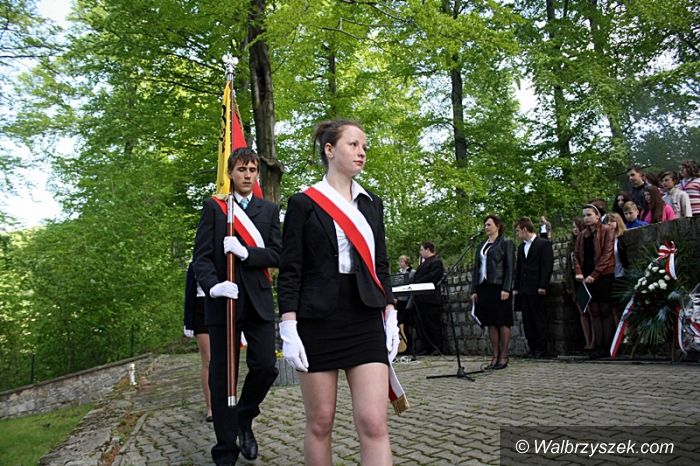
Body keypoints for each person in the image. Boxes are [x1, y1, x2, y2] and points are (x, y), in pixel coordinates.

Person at [277, 119, 399, 466]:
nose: (362, 152)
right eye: (353, 144)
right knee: (320, 423)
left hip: (365, 314)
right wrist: (288, 327)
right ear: (329, 150)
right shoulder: (303, 203)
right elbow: (291, 270)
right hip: (317, 319)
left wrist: (390, 311)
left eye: (364, 146)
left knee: (374, 423)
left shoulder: (372, 203)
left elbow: (381, 264)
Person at [193, 147, 281, 465]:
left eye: (252, 170)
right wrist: (213, 286)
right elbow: (201, 258)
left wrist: (246, 253)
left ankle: (245, 415)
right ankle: (225, 449)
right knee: (222, 376)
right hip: (224, 302)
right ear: (230, 173)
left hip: (258, 301)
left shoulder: (268, 210)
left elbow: (277, 254)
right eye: (241, 169)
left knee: (266, 366)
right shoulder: (215, 208)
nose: (247, 175)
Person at [470, 215, 515, 370]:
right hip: (484, 286)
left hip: (499, 285)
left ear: (498, 226)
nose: (486, 227)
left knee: (502, 320)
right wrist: (474, 289)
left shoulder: (506, 242)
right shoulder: (481, 245)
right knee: (490, 322)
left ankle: (504, 355)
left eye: (489, 224)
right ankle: (495, 355)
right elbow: (476, 268)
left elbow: (510, 266)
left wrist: (506, 288)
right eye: (485, 225)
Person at [572, 204, 616, 357]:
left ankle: (607, 346)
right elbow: (576, 255)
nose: (586, 218)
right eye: (584, 215)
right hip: (587, 277)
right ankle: (598, 346)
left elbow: (607, 254)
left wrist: (595, 274)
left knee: (605, 310)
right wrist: (579, 272)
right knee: (593, 311)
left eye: (589, 215)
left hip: (604, 275)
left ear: (597, 216)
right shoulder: (582, 235)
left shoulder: (607, 230)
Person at [513, 217, 554, 358]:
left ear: (525, 229)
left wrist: (542, 285)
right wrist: (516, 287)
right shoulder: (521, 247)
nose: (517, 234)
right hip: (524, 289)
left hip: (536, 287)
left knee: (539, 318)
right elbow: (519, 268)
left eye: (518, 231)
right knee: (527, 319)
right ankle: (532, 348)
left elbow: (547, 266)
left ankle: (541, 349)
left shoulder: (543, 244)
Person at [184, 262, 213, 423]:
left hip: (223, 306)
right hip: (201, 309)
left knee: (226, 360)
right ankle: (211, 407)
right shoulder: (195, 264)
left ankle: (228, 402)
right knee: (208, 361)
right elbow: (189, 293)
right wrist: (188, 322)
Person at [411, 242, 445, 356]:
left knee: (433, 324)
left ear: (428, 250)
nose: (420, 252)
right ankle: (426, 347)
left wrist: (418, 282)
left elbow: (433, 277)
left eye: (421, 250)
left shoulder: (436, 262)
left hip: (431, 299)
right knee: (423, 325)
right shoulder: (423, 264)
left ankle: (437, 347)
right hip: (421, 299)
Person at [568, 218, 594, 351]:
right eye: (573, 227)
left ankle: (594, 341)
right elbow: (568, 267)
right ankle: (587, 341)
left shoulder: (588, 241)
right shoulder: (571, 245)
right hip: (576, 283)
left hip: (588, 280)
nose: (575, 229)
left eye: (577, 227)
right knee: (582, 312)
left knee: (591, 312)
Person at [605, 213, 628, 327]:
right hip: (611, 276)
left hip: (622, 275)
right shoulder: (605, 240)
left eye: (612, 221)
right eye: (607, 222)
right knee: (615, 307)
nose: (609, 223)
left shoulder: (623, 238)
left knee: (625, 305)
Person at [395, 255, 415, 355]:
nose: (400, 263)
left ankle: (409, 347)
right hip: (399, 301)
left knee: (407, 325)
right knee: (399, 323)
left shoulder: (412, 272)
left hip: (406, 301)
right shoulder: (398, 273)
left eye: (402, 261)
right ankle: (401, 347)